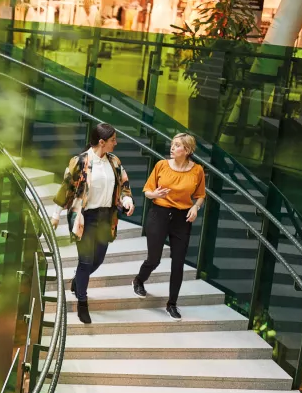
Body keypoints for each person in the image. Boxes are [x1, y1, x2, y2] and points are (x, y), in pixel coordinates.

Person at [51, 123, 134, 324]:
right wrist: (55, 215)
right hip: (85, 218)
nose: (116, 143)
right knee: (86, 261)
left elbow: (124, 185)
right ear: (102, 142)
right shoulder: (80, 161)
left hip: (106, 218)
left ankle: (78, 281)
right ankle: (82, 302)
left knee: (98, 259)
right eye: (113, 140)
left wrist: (127, 200)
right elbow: (66, 189)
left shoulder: (114, 161)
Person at [132, 133, 206, 321]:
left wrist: (195, 207)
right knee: (154, 258)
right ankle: (139, 280)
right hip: (159, 214)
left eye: (177, 145)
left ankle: (172, 303)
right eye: (172, 144)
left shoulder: (197, 170)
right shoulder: (161, 165)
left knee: (178, 263)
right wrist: (154, 194)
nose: (172, 147)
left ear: (187, 150)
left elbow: (200, 196)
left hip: (182, 218)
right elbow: (147, 191)